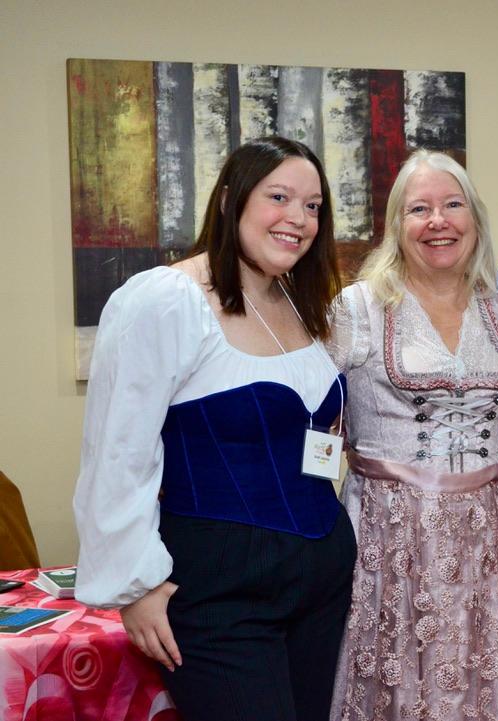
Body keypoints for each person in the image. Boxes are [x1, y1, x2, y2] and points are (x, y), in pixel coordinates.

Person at [73, 137, 357, 721]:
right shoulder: (166, 299)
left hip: (321, 585)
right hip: (220, 593)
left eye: (312, 206)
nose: (298, 218)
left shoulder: (300, 302)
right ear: (230, 199)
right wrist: (136, 586)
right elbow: (118, 452)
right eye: (279, 197)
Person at [327, 149, 498, 721]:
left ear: (474, 218)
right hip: (391, 532)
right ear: (396, 225)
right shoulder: (358, 308)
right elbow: (308, 415)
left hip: (489, 533)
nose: (438, 221)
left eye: (452, 205)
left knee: (485, 679)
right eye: (419, 209)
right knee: (397, 680)